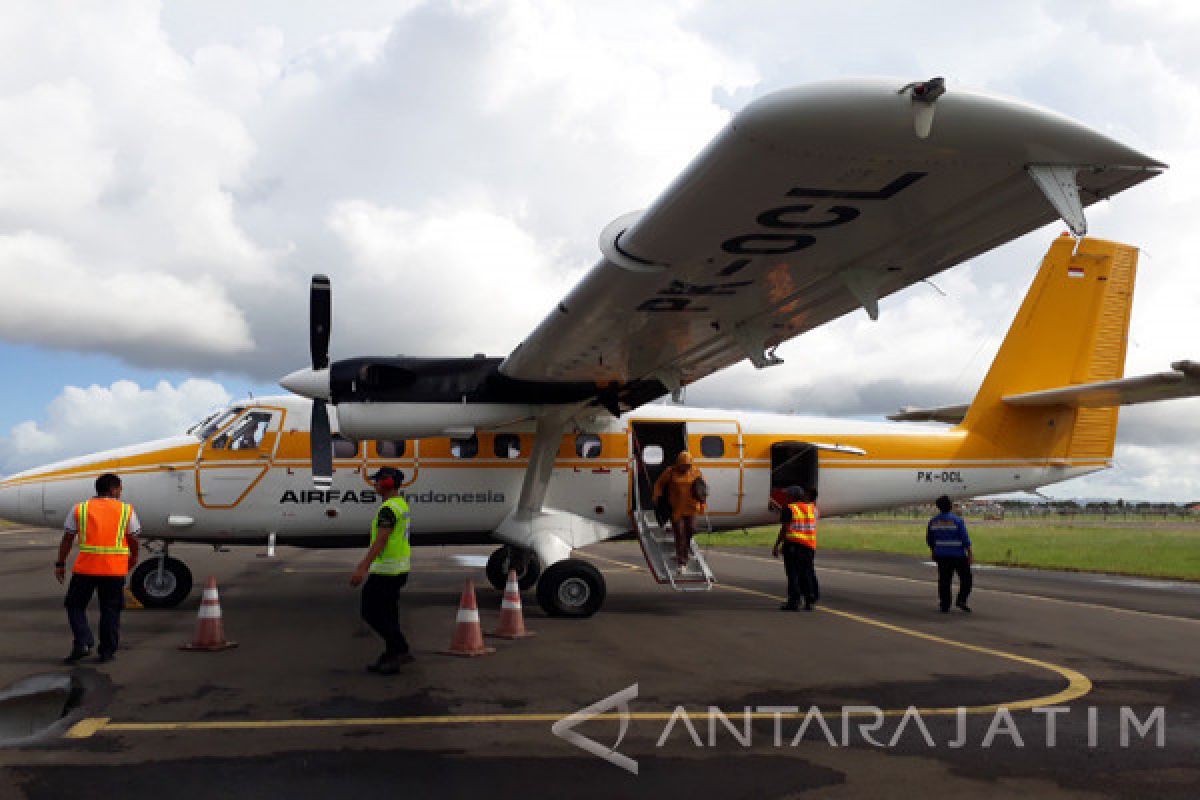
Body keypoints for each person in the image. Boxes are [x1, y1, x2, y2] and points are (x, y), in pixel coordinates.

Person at [55, 473, 140, 664]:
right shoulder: (126, 509)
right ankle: (107, 652)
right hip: (114, 570)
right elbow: (133, 536)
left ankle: (83, 642)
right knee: (110, 610)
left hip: (86, 569)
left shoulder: (80, 508)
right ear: (113, 489)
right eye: (119, 489)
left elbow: (67, 538)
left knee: (75, 605)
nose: (120, 492)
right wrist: (134, 556)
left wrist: (60, 563)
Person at [351, 467, 413, 674]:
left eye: (378, 481)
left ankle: (400, 649)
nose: (374, 484)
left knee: (370, 612)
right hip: (398, 569)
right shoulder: (400, 504)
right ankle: (391, 654)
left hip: (387, 572)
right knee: (389, 614)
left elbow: (381, 540)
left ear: (387, 483)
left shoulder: (388, 509)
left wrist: (363, 566)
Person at [652, 451, 706, 569]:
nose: (686, 467)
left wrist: (703, 503)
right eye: (684, 465)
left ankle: (684, 551)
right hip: (677, 509)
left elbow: (702, 488)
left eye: (688, 465)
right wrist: (657, 495)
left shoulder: (696, 472)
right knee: (679, 533)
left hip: (692, 508)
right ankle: (682, 561)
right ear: (678, 463)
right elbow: (659, 484)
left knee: (691, 530)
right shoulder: (670, 472)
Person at [772, 486, 820, 611]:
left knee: (793, 574)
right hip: (809, 546)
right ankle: (810, 600)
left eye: (788, 495)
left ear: (793, 496)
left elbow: (785, 528)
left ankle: (794, 601)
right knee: (807, 573)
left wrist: (778, 544)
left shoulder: (789, 508)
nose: (786, 497)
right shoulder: (813, 509)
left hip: (794, 545)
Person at [927, 495, 973, 613]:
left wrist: (933, 552)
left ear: (939, 507)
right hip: (958, 555)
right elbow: (965, 539)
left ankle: (945, 605)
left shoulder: (934, 521)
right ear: (950, 506)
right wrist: (970, 554)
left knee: (944, 581)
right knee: (966, 579)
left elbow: (930, 540)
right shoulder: (957, 520)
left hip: (941, 555)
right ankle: (961, 600)